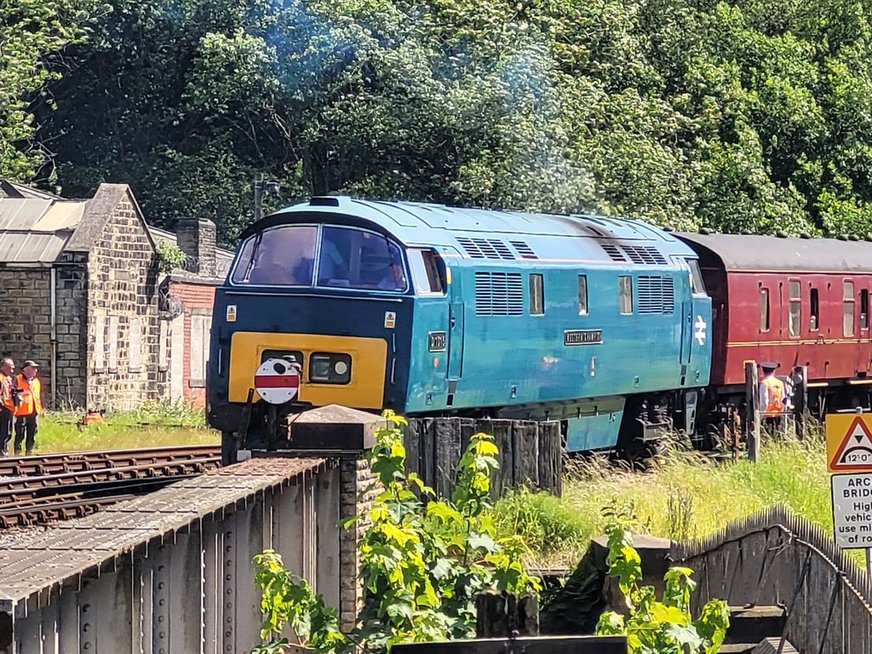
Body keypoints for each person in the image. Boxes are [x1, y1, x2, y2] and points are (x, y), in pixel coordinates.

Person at [14, 360, 42, 456]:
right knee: (20, 433)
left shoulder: (36, 381)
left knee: (32, 432)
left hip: (34, 410)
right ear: (27, 369)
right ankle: (18, 452)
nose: (36, 370)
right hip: (22, 411)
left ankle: (29, 451)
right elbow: (13, 393)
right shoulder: (18, 379)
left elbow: (37, 396)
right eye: (33, 368)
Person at [0, 358, 16, 457]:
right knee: (4, 431)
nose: (12, 368)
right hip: (3, 409)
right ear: (3, 367)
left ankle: (4, 450)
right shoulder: (1, 378)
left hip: (9, 408)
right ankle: (2, 451)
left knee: (8, 431)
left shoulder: (8, 378)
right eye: (10, 366)